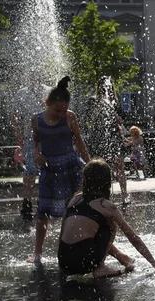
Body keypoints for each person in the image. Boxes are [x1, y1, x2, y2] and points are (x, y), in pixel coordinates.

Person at [58, 159, 155, 278]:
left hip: (64, 263)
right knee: (110, 226)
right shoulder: (106, 206)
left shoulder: (74, 199)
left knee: (92, 231)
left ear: (85, 180)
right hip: (85, 264)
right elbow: (133, 238)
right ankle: (100, 267)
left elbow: (62, 233)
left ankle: (122, 258)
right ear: (106, 181)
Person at [30, 76, 91, 262]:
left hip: (71, 167)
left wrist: (90, 165)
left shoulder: (70, 116)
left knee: (73, 210)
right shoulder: (36, 120)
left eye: (63, 110)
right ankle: (37, 253)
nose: (60, 114)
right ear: (46, 103)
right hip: (49, 169)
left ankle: (71, 249)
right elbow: (35, 143)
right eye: (57, 110)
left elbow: (79, 143)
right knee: (43, 213)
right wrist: (35, 154)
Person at [12, 71, 50, 220]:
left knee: (45, 170)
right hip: (30, 138)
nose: (35, 78)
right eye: (32, 75)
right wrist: (19, 136)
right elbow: (15, 116)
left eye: (38, 75)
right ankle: (27, 202)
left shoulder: (48, 91)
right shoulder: (22, 93)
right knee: (30, 171)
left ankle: (43, 201)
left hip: (47, 136)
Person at [89, 76, 130, 204]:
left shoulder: (115, 103)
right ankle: (103, 195)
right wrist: (101, 106)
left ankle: (124, 194)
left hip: (114, 136)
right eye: (102, 86)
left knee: (119, 166)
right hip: (99, 138)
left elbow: (122, 120)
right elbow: (91, 119)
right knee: (101, 167)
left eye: (107, 86)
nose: (105, 88)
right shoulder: (93, 101)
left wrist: (113, 110)